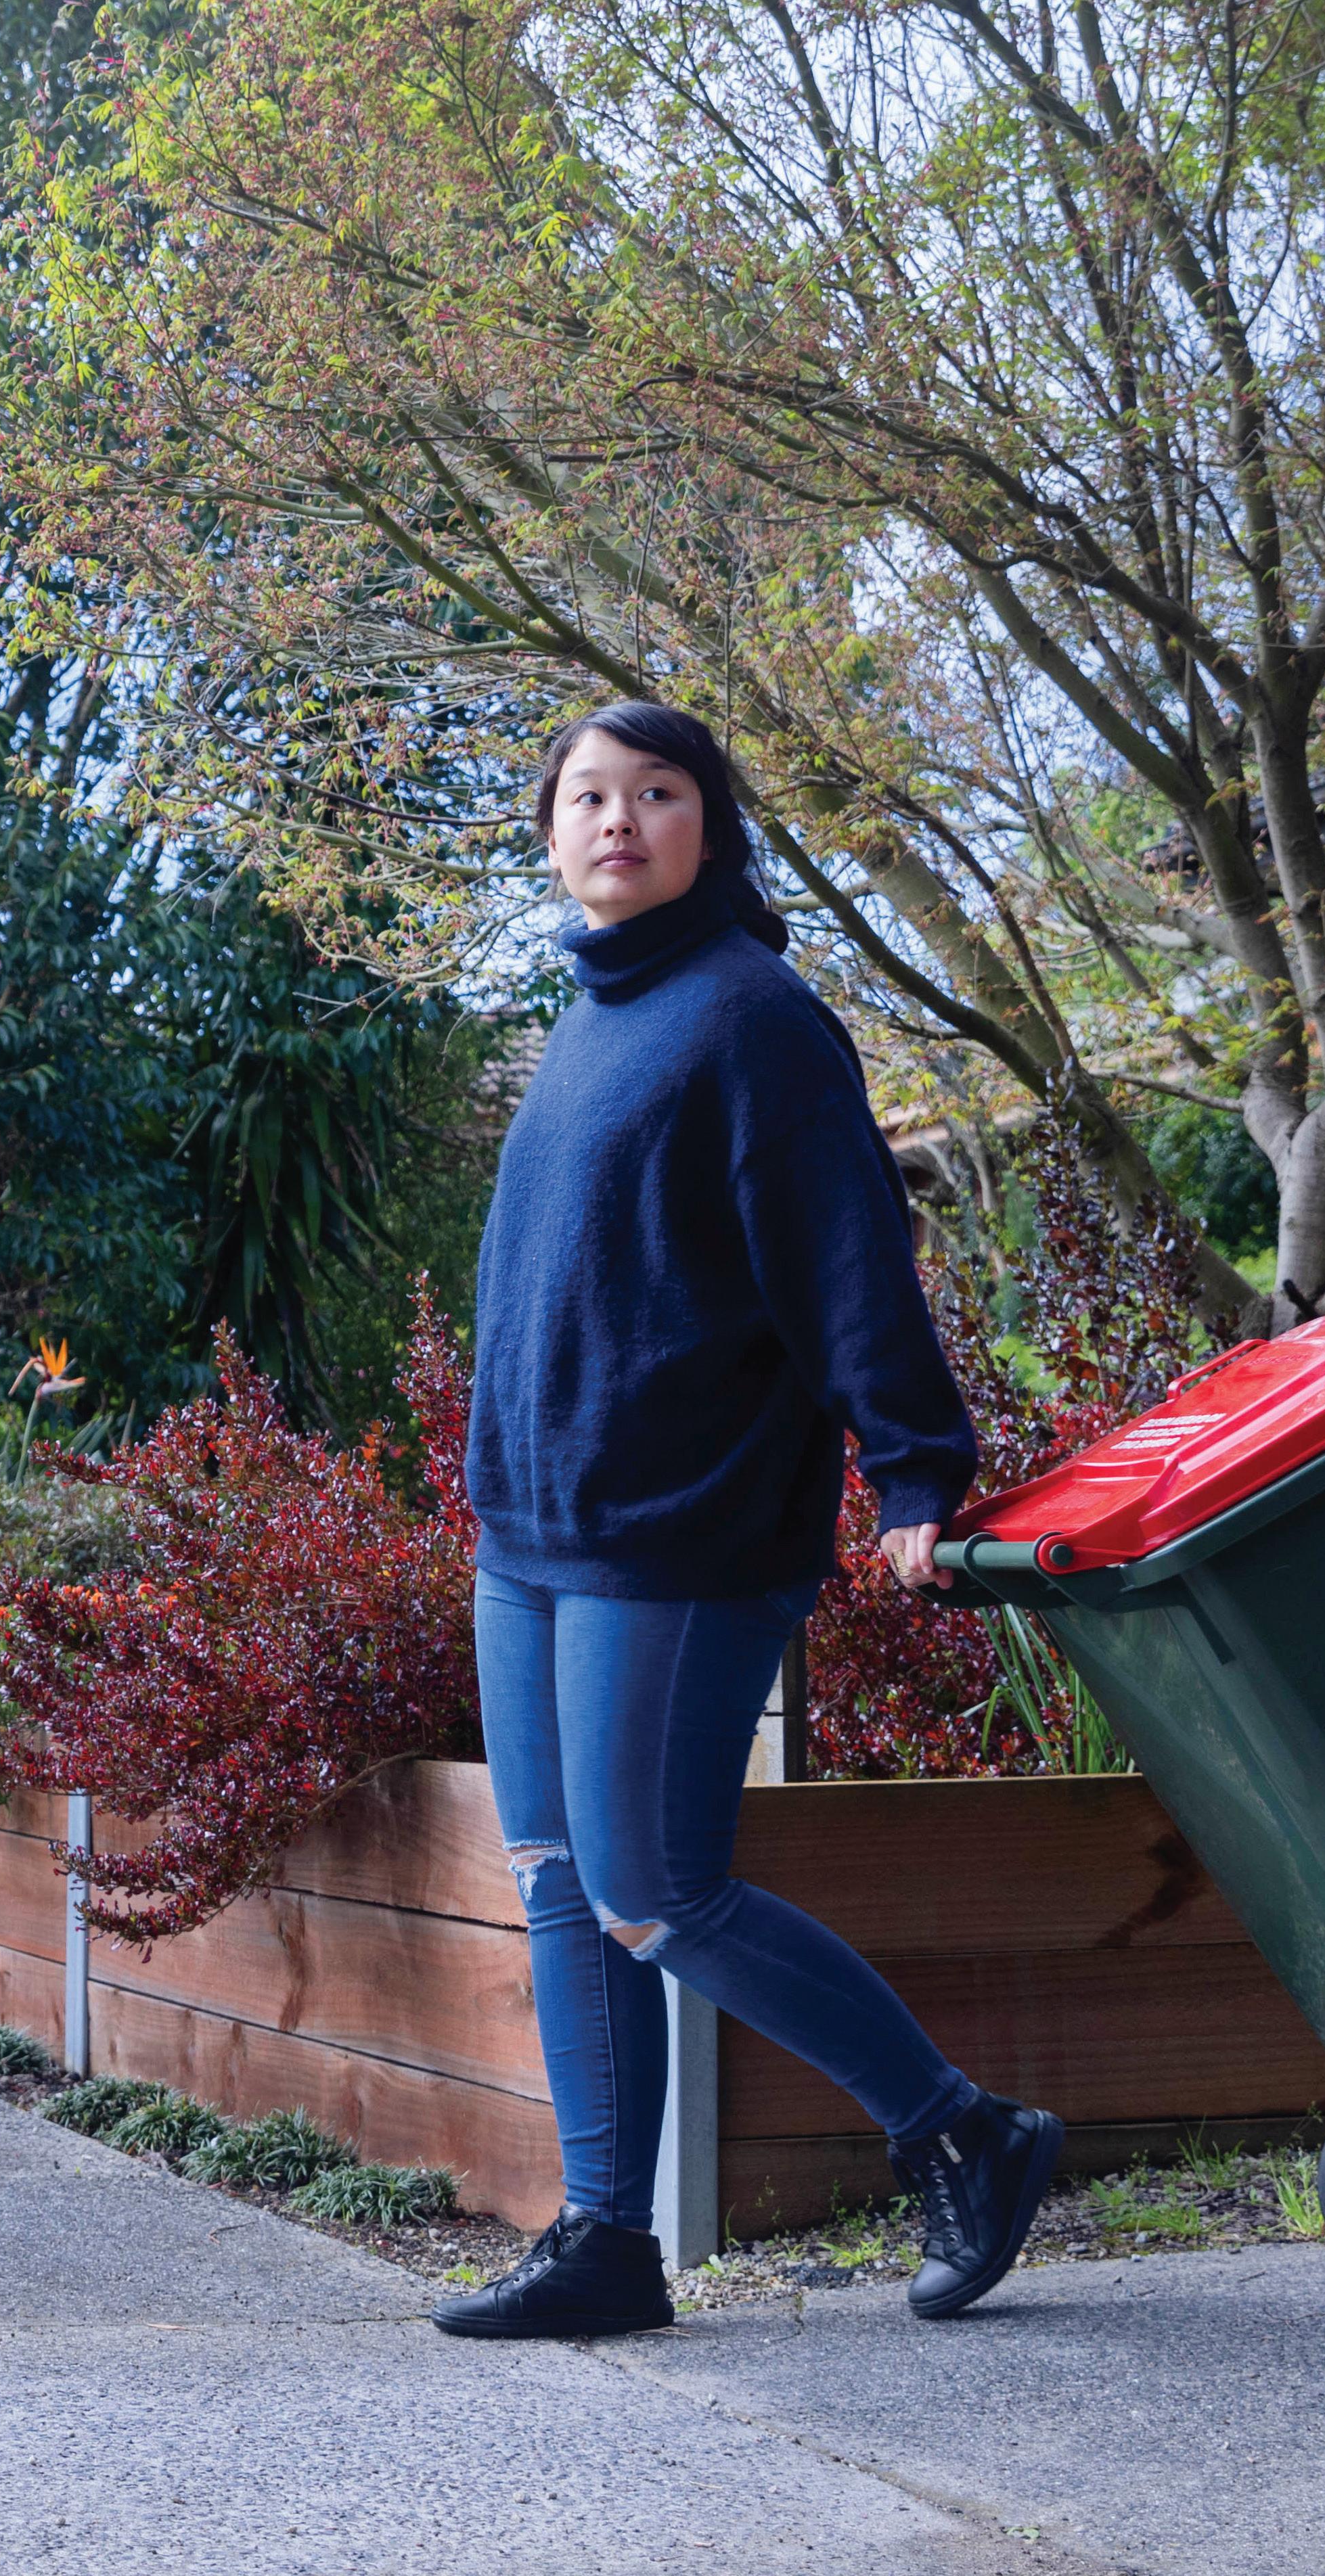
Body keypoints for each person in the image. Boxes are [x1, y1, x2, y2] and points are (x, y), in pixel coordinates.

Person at [431, 699, 1064, 2343]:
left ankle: (963, 2131)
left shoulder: (753, 1017)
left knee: (656, 1886)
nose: (617, 818)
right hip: (537, 1529)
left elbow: (851, 1256)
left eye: (656, 790)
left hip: (681, 1527)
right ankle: (606, 2241)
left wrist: (916, 1466)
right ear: (549, 832)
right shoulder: (588, 1016)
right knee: (562, 1878)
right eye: (586, 794)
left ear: (710, 824)